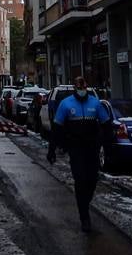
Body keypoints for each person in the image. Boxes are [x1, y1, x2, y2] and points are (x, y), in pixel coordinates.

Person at [47, 77, 112, 232]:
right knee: (80, 180)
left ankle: (85, 203)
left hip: (92, 149)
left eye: (83, 86)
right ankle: (85, 218)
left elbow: (106, 126)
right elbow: (56, 128)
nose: (81, 89)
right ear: (75, 88)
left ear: (86, 87)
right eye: (79, 86)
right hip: (76, 149)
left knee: (92, 180)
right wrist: (52, 149)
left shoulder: (95, 103)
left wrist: (107, 147)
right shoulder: (66, 104)